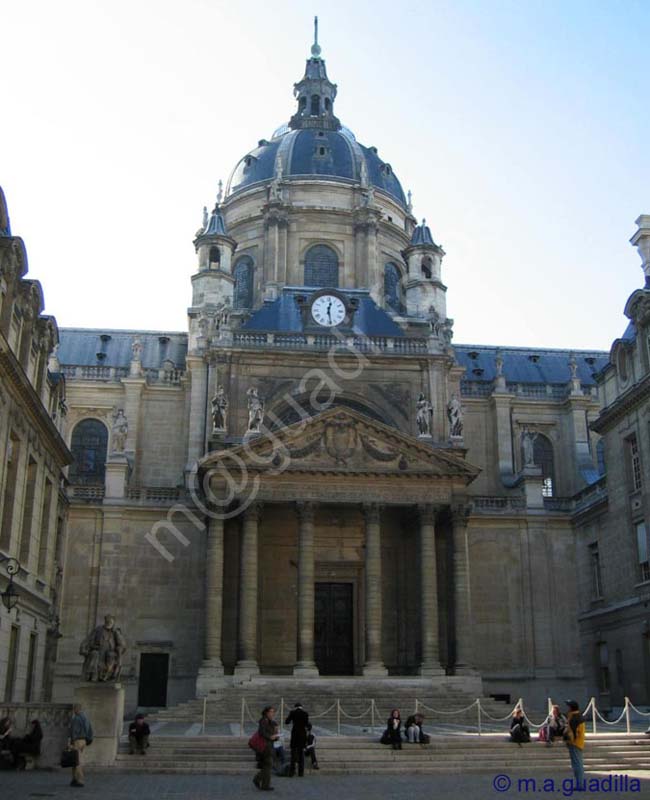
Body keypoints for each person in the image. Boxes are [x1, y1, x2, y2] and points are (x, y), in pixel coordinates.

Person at [253, 706, 279, 791]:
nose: (272, 713)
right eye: (271, 712)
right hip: (265, 747)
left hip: (269, 746)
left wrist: (276, 736)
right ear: (266, 712)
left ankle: (265, 784)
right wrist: (270, 737)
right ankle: (257, 779)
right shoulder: (263, 721)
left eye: (273, 712)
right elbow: (262, 732)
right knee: (268, 765)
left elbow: (272, 733)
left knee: (267, 765)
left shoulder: (271, 722)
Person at [69, 704, 93, 788]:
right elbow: (90, 730)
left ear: (76, 709)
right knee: (76, 759)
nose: (73, 711)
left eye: (74, 709)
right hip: (84, 741)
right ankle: (74, 779)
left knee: (76, 761)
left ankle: (79, 780)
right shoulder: (86, 718)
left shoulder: (76, 718)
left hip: (77, 740)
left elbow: (73, 731)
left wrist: (71, 742)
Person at [564, 700, 586, 789]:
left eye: (568, 707)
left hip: (575, 743)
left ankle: (580, 785)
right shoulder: (577, 716)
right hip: (578, 742)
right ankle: (579, 784)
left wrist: (569, 740)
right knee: (577, 763)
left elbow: (574, 732)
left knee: (577, 764)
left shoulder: (574, 718)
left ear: (571, 708)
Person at [285, 701, 309, 777]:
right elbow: (307, 724)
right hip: (302, 735)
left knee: (293, 754)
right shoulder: (305, 713)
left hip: (295, 734)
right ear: (301, 707)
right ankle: (300, 773)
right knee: (301, 754)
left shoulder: (292, 712)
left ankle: (292, 772)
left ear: (295, 707)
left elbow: (287, 722)